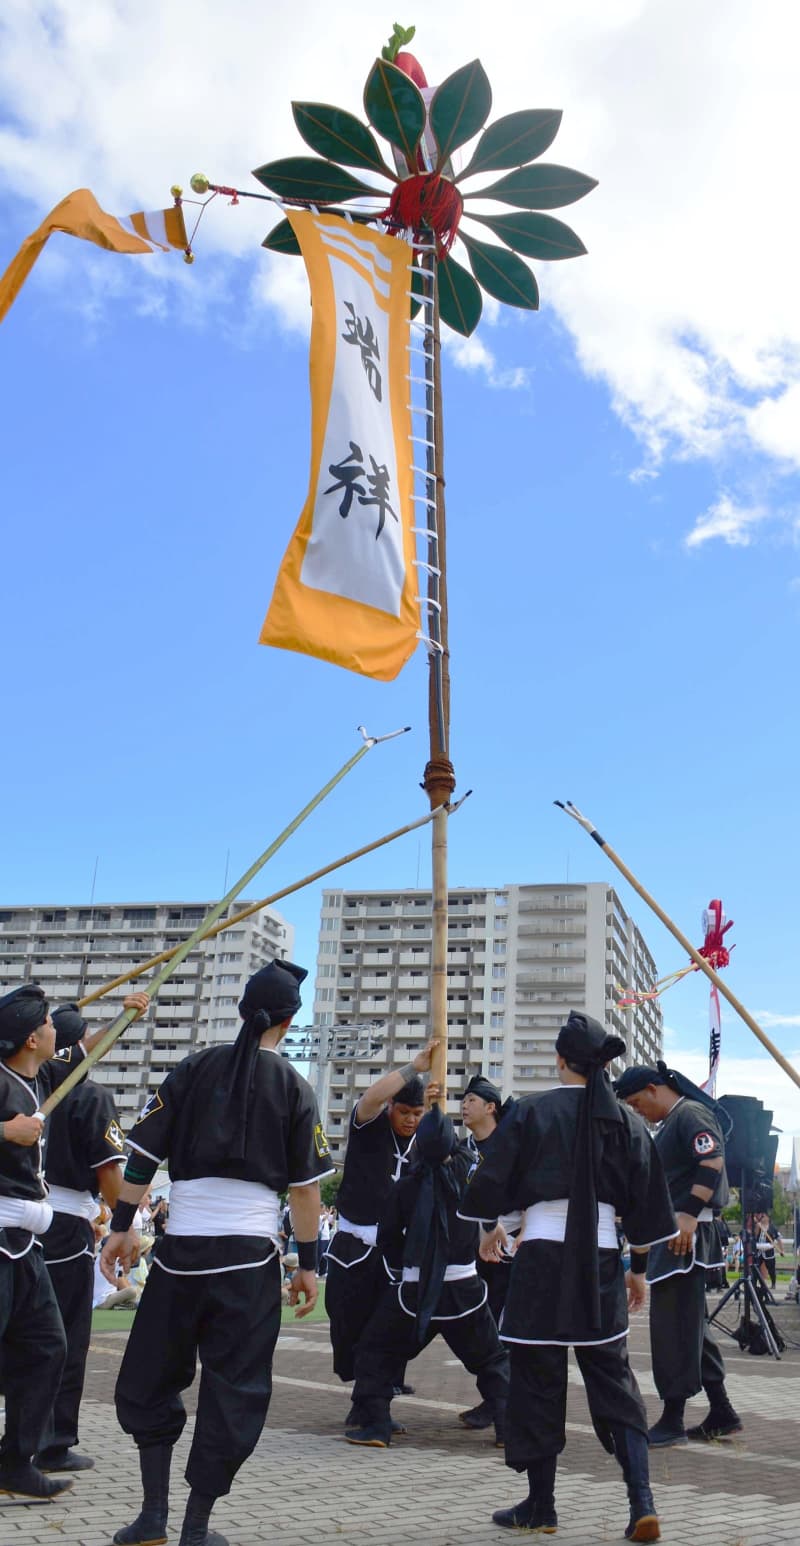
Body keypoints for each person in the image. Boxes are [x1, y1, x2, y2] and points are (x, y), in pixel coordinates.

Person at [102, 959, 333, 1546]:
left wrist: (122, 1227)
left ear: (241, 1012)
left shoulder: (191, 1068)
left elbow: (140, 1159)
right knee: (234, 1390)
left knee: (152, 1376)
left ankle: (153, 1516)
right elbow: (306, 1191)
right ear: (288, 1020)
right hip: (249, 1260)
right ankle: (195, 1530)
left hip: (180, 1254)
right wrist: (307, 1264)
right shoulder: (295, 1086)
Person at [462, 1011, 677, 1543]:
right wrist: (640, 1272)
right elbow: (647, 1206)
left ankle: (541, 1505)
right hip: (602, 1261)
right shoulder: (628, 1122)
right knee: (614, 1381)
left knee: (537, 1382)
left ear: (560, 1059)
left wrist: (497, 1226)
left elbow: (499, 1181)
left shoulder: (531, 1112)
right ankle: (641, 1502)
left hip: (539, 1259)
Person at [345, 1104, 509, 1450]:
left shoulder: (407, 1185)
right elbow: (492, 1211)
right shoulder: (471, 1177)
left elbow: (388, 1237)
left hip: (414, 1291)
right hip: (465, 1290)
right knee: (492, 1360)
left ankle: (376, 1425)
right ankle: (509, 1429)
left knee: (375, 1351)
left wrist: (406, 1267)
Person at [37, 995, 148, 1474]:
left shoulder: (26, 1086)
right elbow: (108, 1174)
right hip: (64, 1227)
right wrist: (124, 1217)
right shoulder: (90, 1097)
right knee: (63, 1337)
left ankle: (23, 1433)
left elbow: (79, 1047)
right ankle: (54, 1441)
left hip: (22, 1222)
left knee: (22, 1334)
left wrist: (123, 1018)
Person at [616, 1060, 743, 1446]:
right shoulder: (673, 1120)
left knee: (672, 1330)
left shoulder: (688, 1112)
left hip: (686, 1236)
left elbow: (712, 1161)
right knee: (691, 1330)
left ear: (654, 1089)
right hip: (676, 1236)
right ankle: (722, 1410)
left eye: (638, 1102)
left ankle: (673, 1419)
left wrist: (687, 1214)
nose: (639, 1111)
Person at [324, 1040, 436, 1418]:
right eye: (404, 1111)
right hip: (355, 1247)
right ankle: (368, 1398)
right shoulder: (369, 1126)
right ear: (392, 1107)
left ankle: (374, 1405)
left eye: (417, 1114)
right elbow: (371, 1097)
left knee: (388, 1331)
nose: (410, 1120)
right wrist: (413, 1068)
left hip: (397, 1252)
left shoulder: (424, 1140)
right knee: (350, 1324)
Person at [0, 985, 71, 1500]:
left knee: (48, 1347)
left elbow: (84, 1044)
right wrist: (5, 1132)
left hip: (25, 1241)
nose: (55, 1030)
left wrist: (129, 1016)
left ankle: (14, 1462)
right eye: (48, 1023)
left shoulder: (38, 1076)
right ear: (31, 1037)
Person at [458, 1073, 516, 1432]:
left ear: (491, 1107)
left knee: (505, 1330)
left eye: (472, 1101)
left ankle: (503, 1407)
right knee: (480, 1331)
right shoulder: (463, 1149)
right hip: (473, 1252)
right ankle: (495, 1399)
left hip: (510, 1249)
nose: (464, 1106)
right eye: (463, 1101)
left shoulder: (511, 1146)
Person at [753, 1213, 784, 1293]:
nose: (761, 1217)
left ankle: (773, 1283)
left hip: (769, 1251)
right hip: (759, 1251)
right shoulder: (758, 1226)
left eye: (763, 1216)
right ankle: (754, 1283)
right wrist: (757, 1227)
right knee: (755, 1268)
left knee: (771, 1269)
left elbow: (779, 1239)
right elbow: (755, 1236)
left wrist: (781, 1250)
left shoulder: (773, 1228)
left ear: (768, 1218)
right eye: (761, 1216)